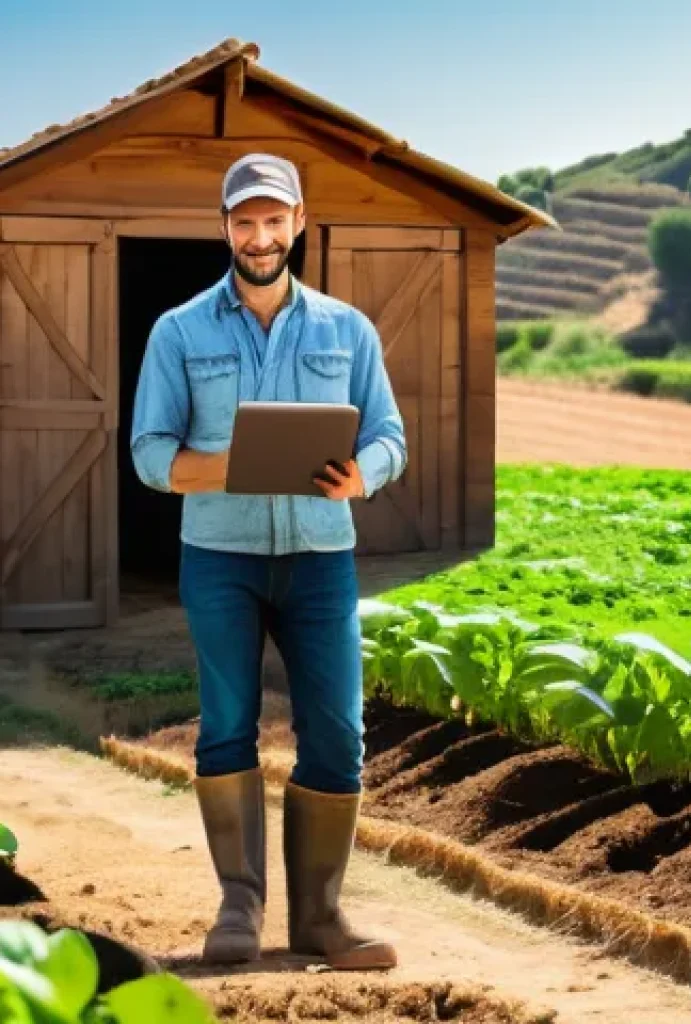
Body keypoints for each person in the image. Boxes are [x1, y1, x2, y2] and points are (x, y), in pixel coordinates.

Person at [130, 152, 406, 971]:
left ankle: (320, 916)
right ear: (224, 228)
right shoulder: (179, 332)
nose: (260, 237)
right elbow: (149, 454)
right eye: (245, 222)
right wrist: (233, 464)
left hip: (322, 560)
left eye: (274, 220)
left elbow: (389, 436)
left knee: (339, 734)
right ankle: (239, 908)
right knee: (226, 727)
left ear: (298, 223)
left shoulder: (347, 331)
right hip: (220, 557)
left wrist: (363, 475)